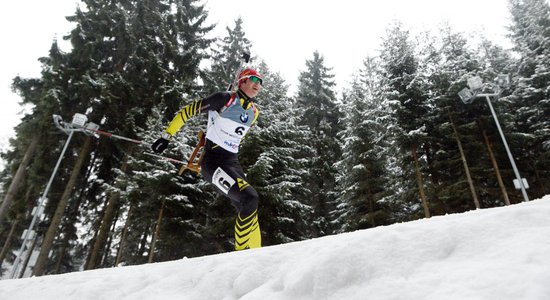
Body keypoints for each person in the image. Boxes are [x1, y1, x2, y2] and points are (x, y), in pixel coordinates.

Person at [151, 68, 264, 250]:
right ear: (242, 81)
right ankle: (241, 256)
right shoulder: (224, 98)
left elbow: (234, 135)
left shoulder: (254, 112)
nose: (258, 84)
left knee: (249, 209)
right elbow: (188, 111)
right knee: (250, 198)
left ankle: (258, 256)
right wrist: (166, 136)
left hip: (232, 163)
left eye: (260, 81)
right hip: (213, 163)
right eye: (253, 79)